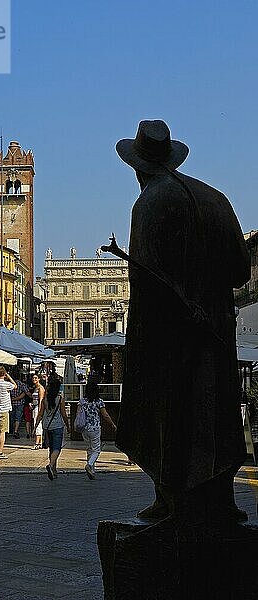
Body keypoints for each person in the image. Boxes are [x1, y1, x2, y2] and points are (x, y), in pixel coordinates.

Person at [113, 119, 250, 523]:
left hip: (168, 334)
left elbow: (144, 279)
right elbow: (242, 270)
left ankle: (171, 497)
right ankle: (221, 498)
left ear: (138, 167)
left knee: (165, 411)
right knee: (217, 410)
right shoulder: (216, 199)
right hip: (216, 330)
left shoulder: (150, 203)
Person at [76, 381, 117, 480]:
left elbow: (78, 415)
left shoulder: (82, 401)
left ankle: (92, 471)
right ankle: (89, 465)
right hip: (95, 428)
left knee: (89, 449)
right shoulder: (99, 401)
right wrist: (112, 424)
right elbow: (105, 415)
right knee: (96, 450)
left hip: (84, 428)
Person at [34, 377, 70, 480]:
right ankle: (51, 465)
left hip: (47, 426)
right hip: (58, 426)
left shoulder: (45, 399)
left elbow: (40, 414)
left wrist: (35, 426)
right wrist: (68, 426)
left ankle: (54, 470)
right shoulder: (60, 399)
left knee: (51, 449)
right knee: (57, 448)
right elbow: (63, 414)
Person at [9, 369, 27, 439]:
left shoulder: (10, 385)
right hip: (19, 404)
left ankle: (11, 430)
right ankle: (15, 431)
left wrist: (12, 399)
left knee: (12, 417)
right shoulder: (22, 384)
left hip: (11, 403)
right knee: (18, 418)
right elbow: (26, 393)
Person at [30, 373, 45, 449]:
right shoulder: (35, 388)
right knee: (36, 423)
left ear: (39, 379)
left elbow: (41, 400)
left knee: (37, 424)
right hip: (34, 407)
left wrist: (40, 410)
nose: (34, 379)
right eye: (33, 378)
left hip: (38, 408)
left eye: (36, 378)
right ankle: (39, 442)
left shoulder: (40, 388)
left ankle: (37, 442)